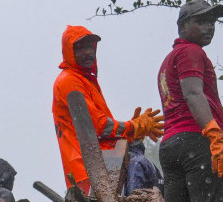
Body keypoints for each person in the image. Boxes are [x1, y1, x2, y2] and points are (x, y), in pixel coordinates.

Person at [52, 25, 164, 192]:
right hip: (89, 169)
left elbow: (103, 128)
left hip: (100, 164)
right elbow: (99, 127)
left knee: (145, 167)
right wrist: (133, 127)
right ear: (68, 51)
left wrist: (132, 132)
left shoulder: (85, 80)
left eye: (90, 46)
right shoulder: (70, 81)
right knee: (139, 165)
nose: (87, 52)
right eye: (80, 48)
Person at [157, 0, 223, 202]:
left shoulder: (169, 59)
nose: (209, 27)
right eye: (201, 21)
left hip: (172, 145)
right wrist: (214, 135)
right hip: (197, 142)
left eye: (212, 22)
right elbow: (193, 94)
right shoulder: (192, 52)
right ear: (183, 27)